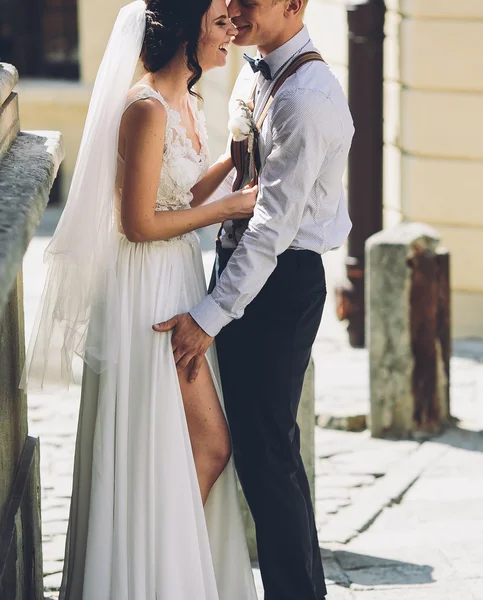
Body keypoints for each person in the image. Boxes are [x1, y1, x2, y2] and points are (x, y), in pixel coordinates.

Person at [23, 1, 258, 598]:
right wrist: (229, 206)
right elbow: (137, 222)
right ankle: (153, 579)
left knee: (185, 446)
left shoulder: (189, 104)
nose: (232, 31)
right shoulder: (144, 109)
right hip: (145, 291)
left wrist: (235, 155)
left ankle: (162, 573)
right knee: (205, 445)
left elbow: (178, 194)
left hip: (177, 277)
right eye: (220, 22)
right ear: (188, 31)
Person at [153, 0, 355, 596]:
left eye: (250, 1)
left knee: (268, 456)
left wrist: (209, 317)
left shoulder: (309, 98)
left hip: (281, 283)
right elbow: (241, 168)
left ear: (294, 5)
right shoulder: (255, 68)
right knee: (260, 450)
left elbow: (272, 227)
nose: (233, 10)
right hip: (240, 268)